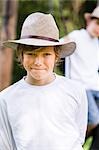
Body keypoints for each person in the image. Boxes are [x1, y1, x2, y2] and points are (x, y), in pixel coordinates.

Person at [0, 12, 88, 150]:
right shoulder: (6, 98)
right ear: (21, 55)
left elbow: (78, 137)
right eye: (31, 54)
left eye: (46, 54)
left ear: (56, 56)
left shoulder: (75, 90)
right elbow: (6, 145)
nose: (38, 62)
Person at [62, 6, 99, 150]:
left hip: (95, 85)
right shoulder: (77, 36)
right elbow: (57, 46)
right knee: (94, 119)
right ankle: (76, 142)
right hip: (81, 87)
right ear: (89, 21)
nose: (98, 29)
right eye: (97, 23)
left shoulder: (97, 43)